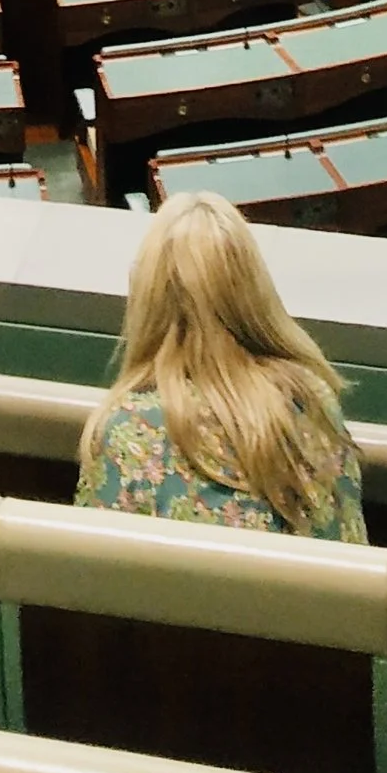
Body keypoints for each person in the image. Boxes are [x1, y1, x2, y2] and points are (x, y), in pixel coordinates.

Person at [75, 191, 365, 541]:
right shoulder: (314, 398)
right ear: (253, 289)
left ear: (147, 297)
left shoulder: (125, 428)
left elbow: (90, 579)